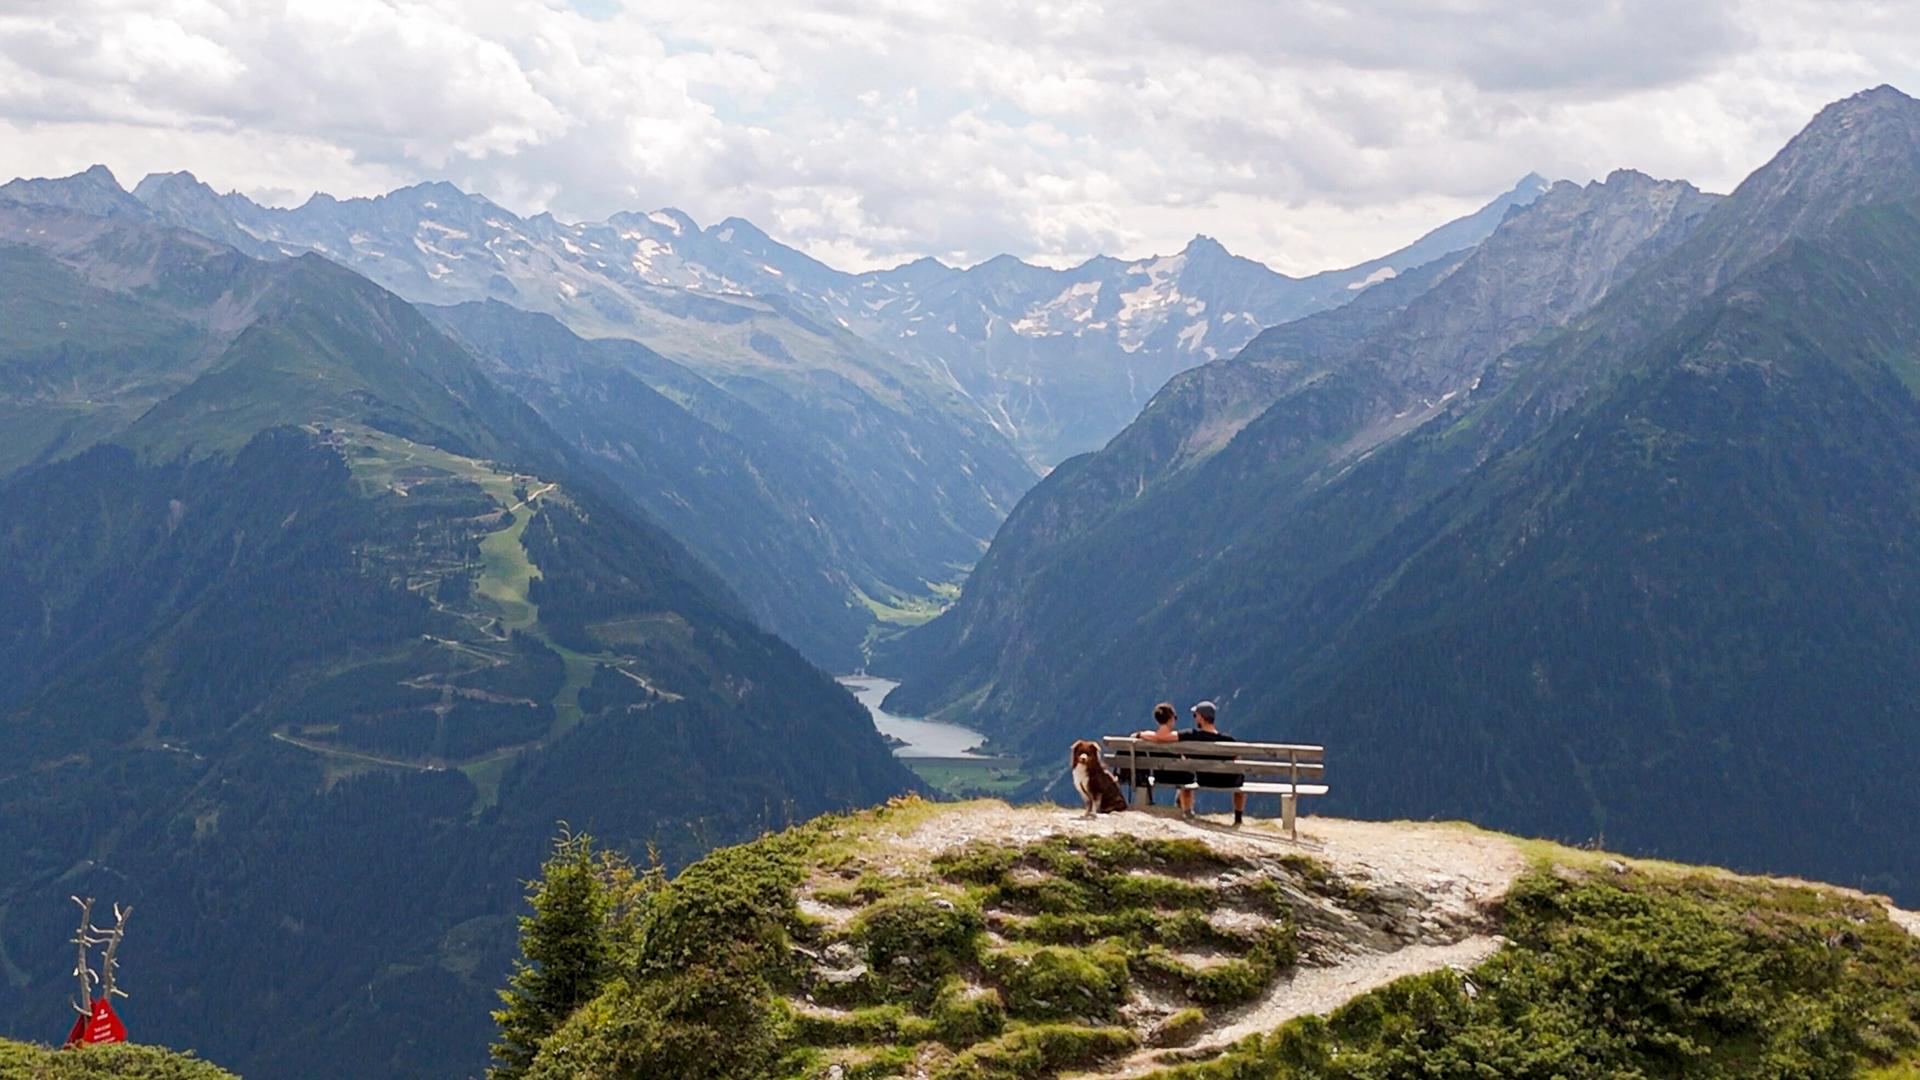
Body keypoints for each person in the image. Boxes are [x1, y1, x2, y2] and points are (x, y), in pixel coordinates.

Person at [1179, 701, 1247, 826]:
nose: (1195, 719)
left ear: (1201, 717)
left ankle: (1187, 812)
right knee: (1240, 775)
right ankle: (1238, 818)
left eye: (1195, 716)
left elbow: (1185, 757)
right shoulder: (1228, 740)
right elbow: (1236, 758)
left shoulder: (1193, 737)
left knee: (1185, 773)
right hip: (1228, 782)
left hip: (1204, 779)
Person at [1126, 702, 1193, 804]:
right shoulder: (1177, 737)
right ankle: (1183, 806)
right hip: (1179, 776)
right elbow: (1163, 737)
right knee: (1189, 775)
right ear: (1171, 719)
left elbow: (1152, 736)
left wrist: (1140, 734)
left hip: (1159, 775)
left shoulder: (1149, 737)